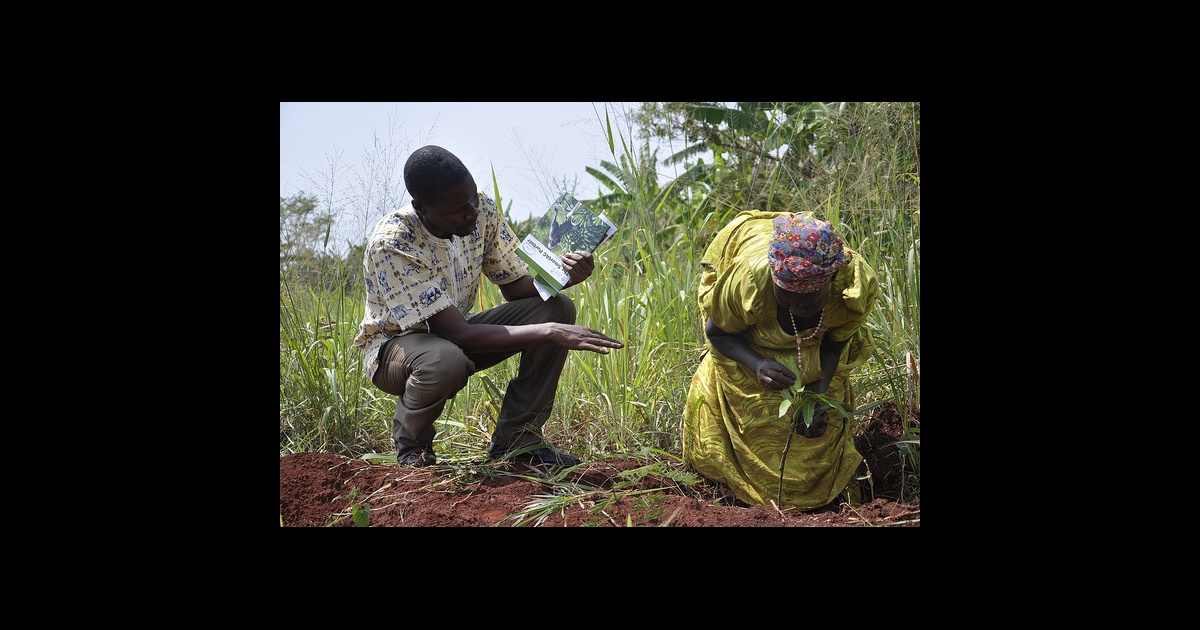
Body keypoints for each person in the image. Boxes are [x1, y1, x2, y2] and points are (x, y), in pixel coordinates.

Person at [353, 145, 624, 467]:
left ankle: (518, 442)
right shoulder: (395, 243)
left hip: (453, 333)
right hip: (395, 349)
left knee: (556, 308)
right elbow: (458, 334)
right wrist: (550, 333)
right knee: (444, 360)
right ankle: (413, 449)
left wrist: (567, 277)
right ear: (421, 208)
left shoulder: (480, 210)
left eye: (472, 200)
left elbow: (515, 288)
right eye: (458, 209)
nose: (471, 212)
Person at [681, 210, 878, 512]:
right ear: (773, 280)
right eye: (786, 299)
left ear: (830, 282)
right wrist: (756, 364)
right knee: (751, 422)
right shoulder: (749, 280)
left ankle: (822, 497)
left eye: (810, 301)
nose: (799, 309)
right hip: (747, 343)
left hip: (818, 350)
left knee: (820, 428)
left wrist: (817, 397)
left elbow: (835, 344)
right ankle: (730, 492)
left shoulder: (852, 288)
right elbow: (717, 333)